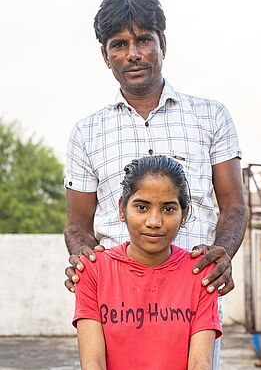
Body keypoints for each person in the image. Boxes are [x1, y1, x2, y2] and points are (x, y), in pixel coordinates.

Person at [64, 0, 248, 369]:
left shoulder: (211, 117)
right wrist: (85, 262)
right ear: (105, 56)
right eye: (119, 44)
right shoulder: (87, 132)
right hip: (114, 308)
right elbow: (77, 225)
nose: (133, 53)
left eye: (144, 39)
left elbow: (234, 205)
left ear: (163, 44)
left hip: (193, 297)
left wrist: (223, 254)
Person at [73, 155, 222, 370]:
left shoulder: (201, 274)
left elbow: (201, 363)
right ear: (122, 210)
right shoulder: (93, 271)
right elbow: (93, 364)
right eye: (142, 207)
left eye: (168, 209)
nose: (154, 222)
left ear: (184, 215)